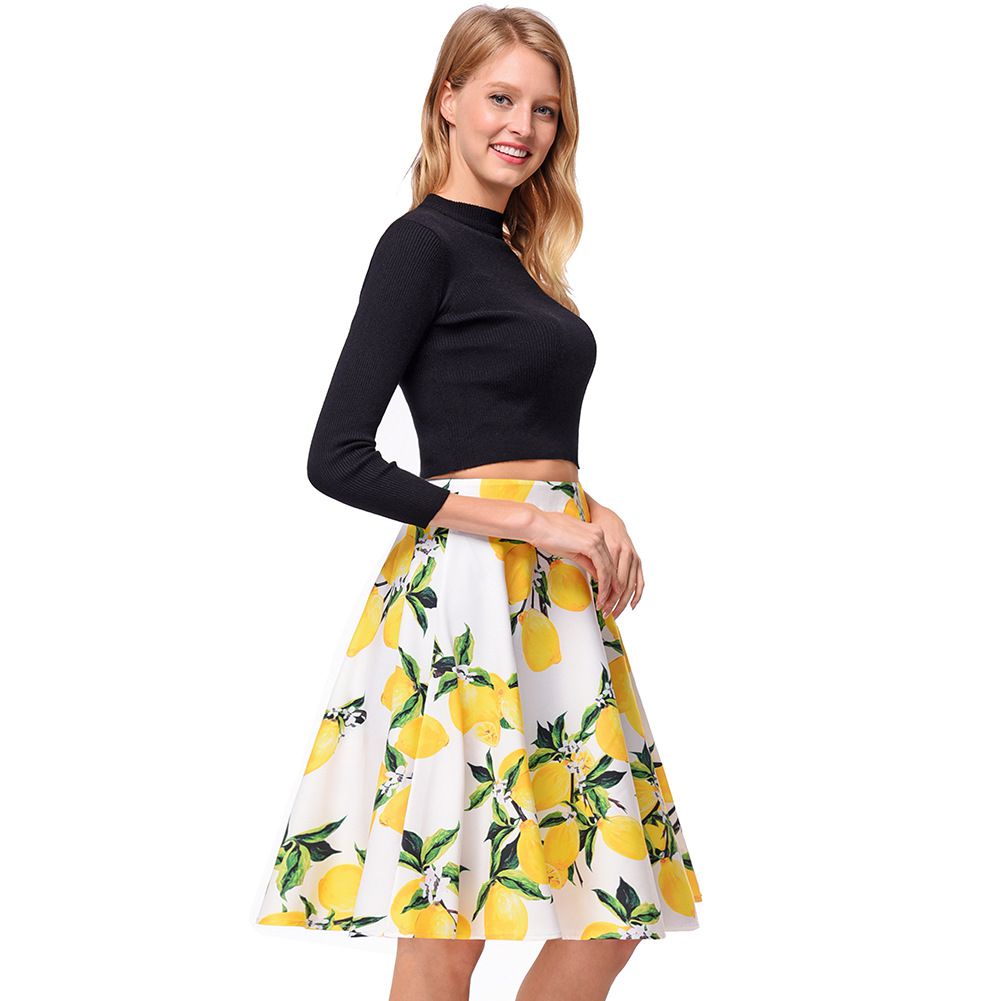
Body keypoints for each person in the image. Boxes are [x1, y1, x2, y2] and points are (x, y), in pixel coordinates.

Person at [256, 7, 701, 1000]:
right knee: (448, 922)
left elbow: (507, 427)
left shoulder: (521, 252)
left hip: (555, 597)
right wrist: (534, 520)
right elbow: (337, 457)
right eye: (501, 97)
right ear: (447, 100)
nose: (522, 126)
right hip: (465, 597)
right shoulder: (418, 245)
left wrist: (590, 505)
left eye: (544, 109)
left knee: (607, 902)